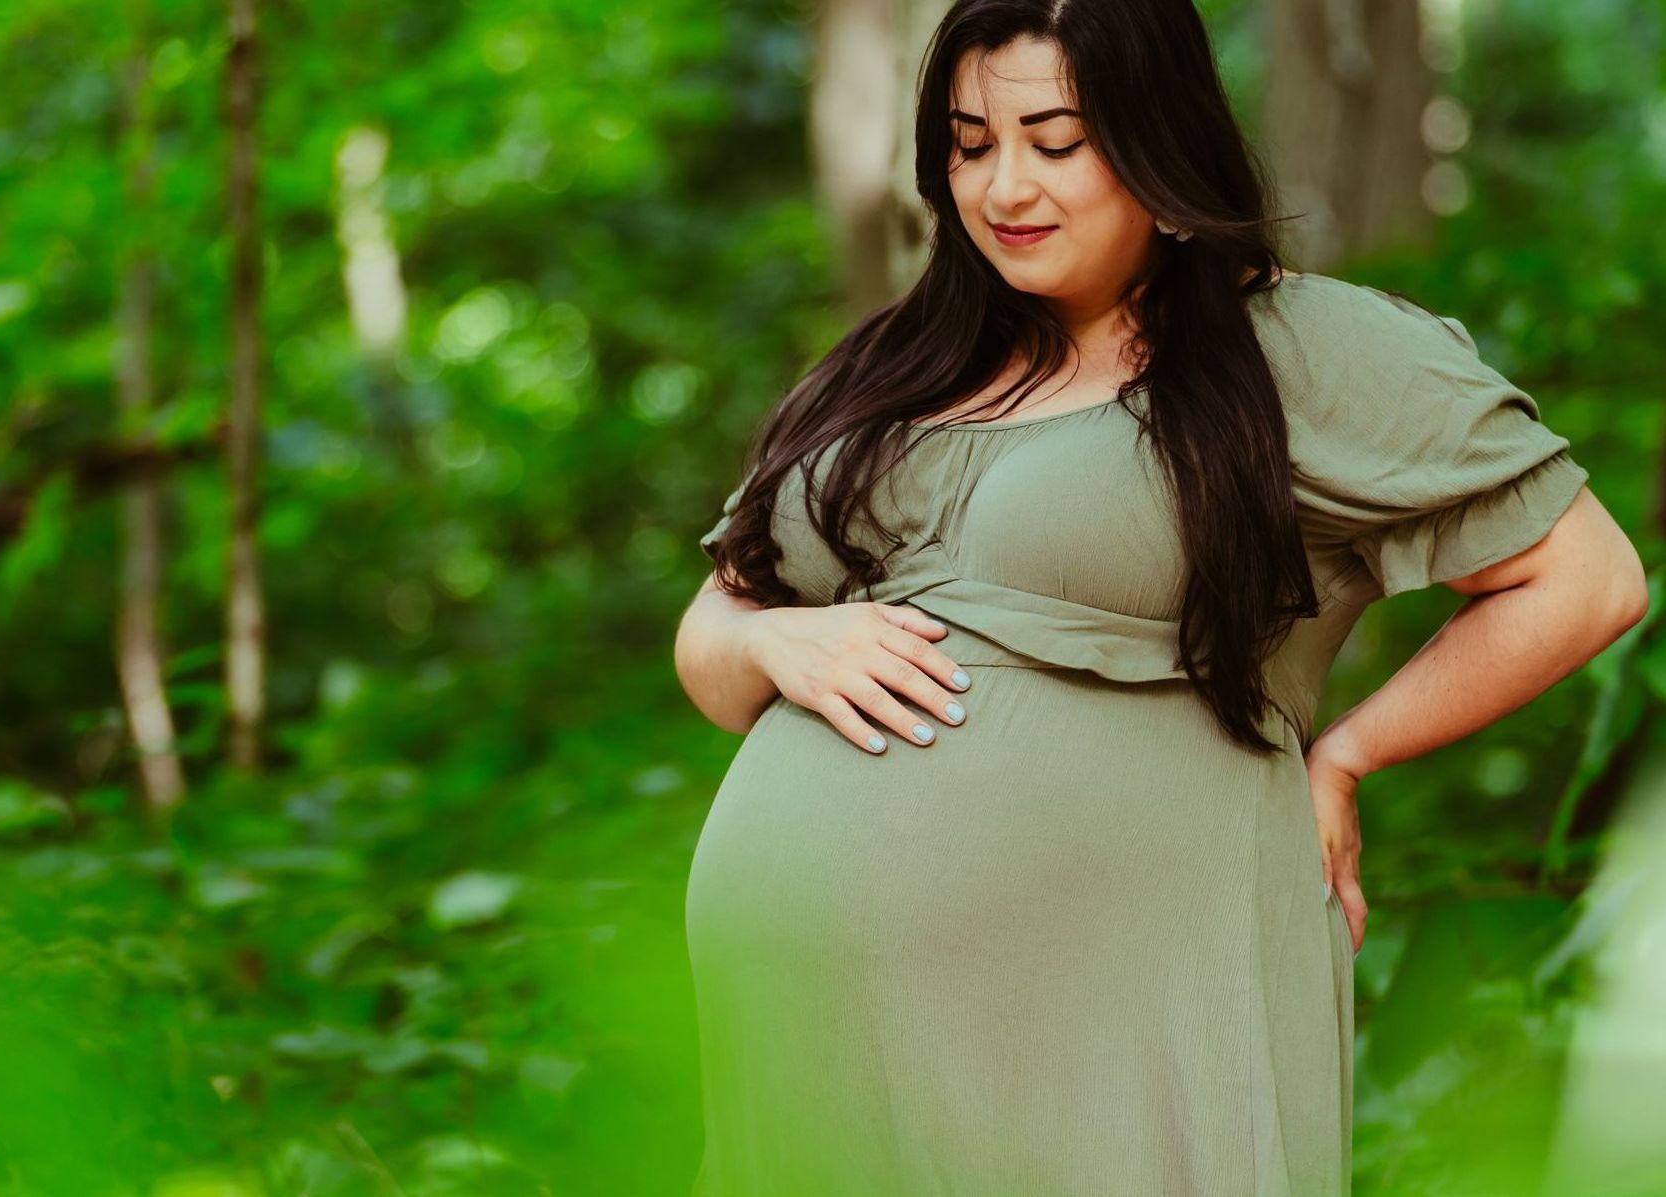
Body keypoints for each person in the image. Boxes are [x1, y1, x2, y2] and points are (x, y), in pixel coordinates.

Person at [671, 1, 1649, 1194]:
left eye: (1054, 139)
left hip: (1119, 998)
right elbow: (711, 634)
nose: (1003, 185)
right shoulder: (889, 366)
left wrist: (1345, 754)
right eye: (971, 142)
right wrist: (784, 643)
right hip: (804, 1035)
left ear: (1155, 141)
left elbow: (1586, 578)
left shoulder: (1293, 347)